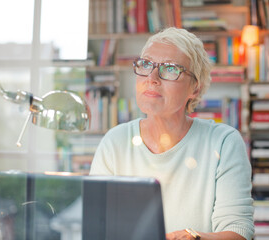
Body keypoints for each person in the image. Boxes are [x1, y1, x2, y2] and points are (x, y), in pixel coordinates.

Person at [89, 27, 254, 240]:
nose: (152, 77)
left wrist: (192, 237)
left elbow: (238, 231)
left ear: (195, 88)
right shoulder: (115, 141)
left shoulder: (223, 142)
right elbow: (96, 224)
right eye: (146, 64)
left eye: (170, 69)